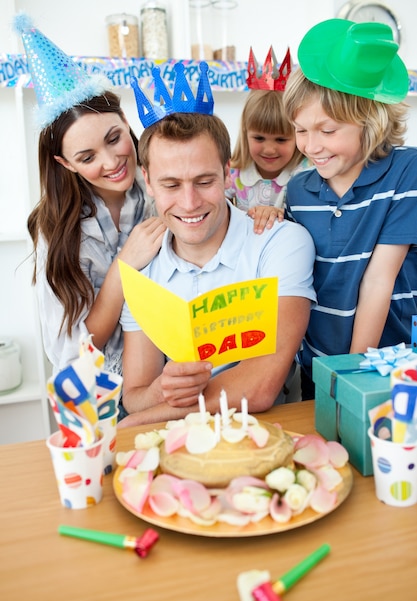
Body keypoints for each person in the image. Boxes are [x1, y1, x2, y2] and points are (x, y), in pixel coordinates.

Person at [119, 108, 316, 427]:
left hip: (271, 435)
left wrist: (138, 420)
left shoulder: (280, 242)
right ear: (148, 181)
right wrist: (161, 390)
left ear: (227, 173)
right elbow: (135, 396)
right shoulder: (142, 267)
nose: (189, 202)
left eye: (204, 181)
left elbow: (262, 386)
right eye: (170, 185)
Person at [15, 15, 166, 379]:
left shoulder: (162, 188)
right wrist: (123, 268)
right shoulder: (58, 232)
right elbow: (75, 352)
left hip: (179, 378)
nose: (113, 162)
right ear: (64, 163)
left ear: (124, 119)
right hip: (104, 397)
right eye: (87, 157)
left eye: (115, 138)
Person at [282, 19, 417, 400]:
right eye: (301, 129)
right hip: (319, 363)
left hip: (383, 367)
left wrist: (353, 375)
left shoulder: (406, 171)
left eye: (328, 131)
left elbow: (378, 280)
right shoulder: (298, 190)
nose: (311, 145)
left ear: (370, 121)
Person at [227, 88, 309, 233]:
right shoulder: (234, 172)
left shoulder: (306, 173)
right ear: (246, 133)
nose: (269, 149)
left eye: (281, 139)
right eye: (259, 138)